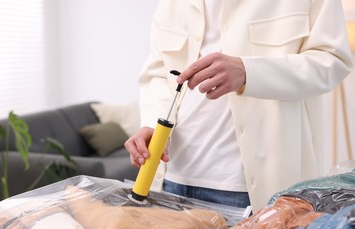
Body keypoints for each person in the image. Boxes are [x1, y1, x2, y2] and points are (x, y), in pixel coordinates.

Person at [125, 0, 353, 211]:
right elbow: (158, 72)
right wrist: (152, 123)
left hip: (252, 193)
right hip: (170, 181)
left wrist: (249, 72)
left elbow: (333, 61)